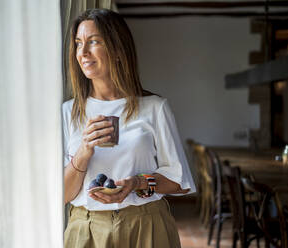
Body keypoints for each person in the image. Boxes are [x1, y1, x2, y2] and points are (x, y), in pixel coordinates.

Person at [63, 8, 196, 248]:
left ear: (116, 49)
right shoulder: (68, 112)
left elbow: (179, 182)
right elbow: (60, 195)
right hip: (87, 229)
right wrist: (83, 153)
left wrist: (138, 183)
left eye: (93, 42)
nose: (82, 53)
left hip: (147, 225)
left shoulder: (155, 108)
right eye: (78, 43)